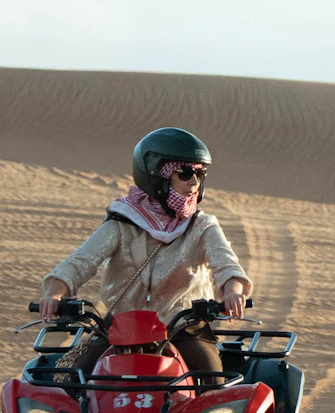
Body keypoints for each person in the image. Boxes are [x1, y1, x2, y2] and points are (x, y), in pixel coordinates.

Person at [39, 127, 252, 380]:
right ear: (157, 176)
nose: (194, 183)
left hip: (184, 330)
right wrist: (55, 293)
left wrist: (232, 293)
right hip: (121, 328)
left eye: (199, 174)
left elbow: (227, 266)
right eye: (184, 173)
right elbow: (79, 263)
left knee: (213, 385)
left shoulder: (202, 226)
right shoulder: (122, 224)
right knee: (74, 386)